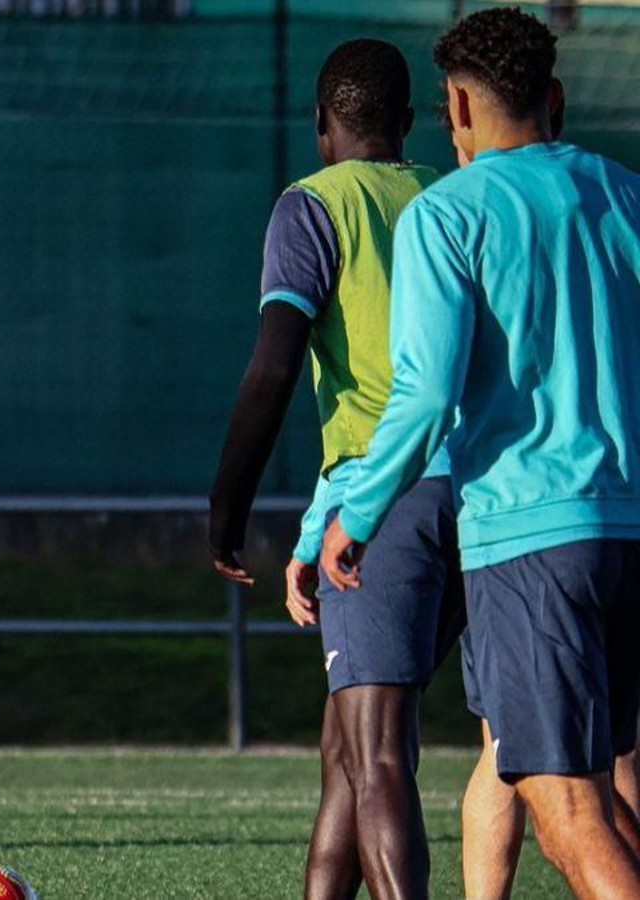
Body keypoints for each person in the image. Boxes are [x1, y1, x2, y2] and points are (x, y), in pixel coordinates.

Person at [321, 8, 640, 897]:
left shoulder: (448, 212)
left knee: (564, 807)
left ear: (456, 108)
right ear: (557, 97)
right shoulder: (624, 192)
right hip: (625, 527)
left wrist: (360, 512)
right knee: (595, 795)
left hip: (530, 533)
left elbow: (424, 394)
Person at [208, 39, 464, 898]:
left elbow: (276, 366)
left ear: (320, 126)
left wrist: (227, 509)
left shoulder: (310, 208)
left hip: (394, 502)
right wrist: (317, 525)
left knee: (379, 753)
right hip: (488, 496)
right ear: (409, 123)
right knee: (346, 749)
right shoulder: (451, 195)